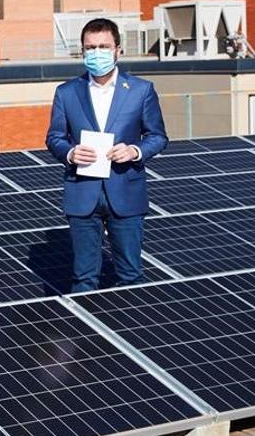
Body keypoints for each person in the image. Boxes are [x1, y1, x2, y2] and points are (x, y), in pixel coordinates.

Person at [46, 18, 167, 293]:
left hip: (125, 192)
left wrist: (135, 151)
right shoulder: (66, 93)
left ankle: (131, 332)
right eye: (90, 47)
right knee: (83, 278)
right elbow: (54, 138)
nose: (96, 52)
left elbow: (158, 137)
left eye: (103, 46)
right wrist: (70, 153)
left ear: (118, 50)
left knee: (130, 275)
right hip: (82, 192)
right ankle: (86, 334)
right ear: (82, 51)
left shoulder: (140, 90)